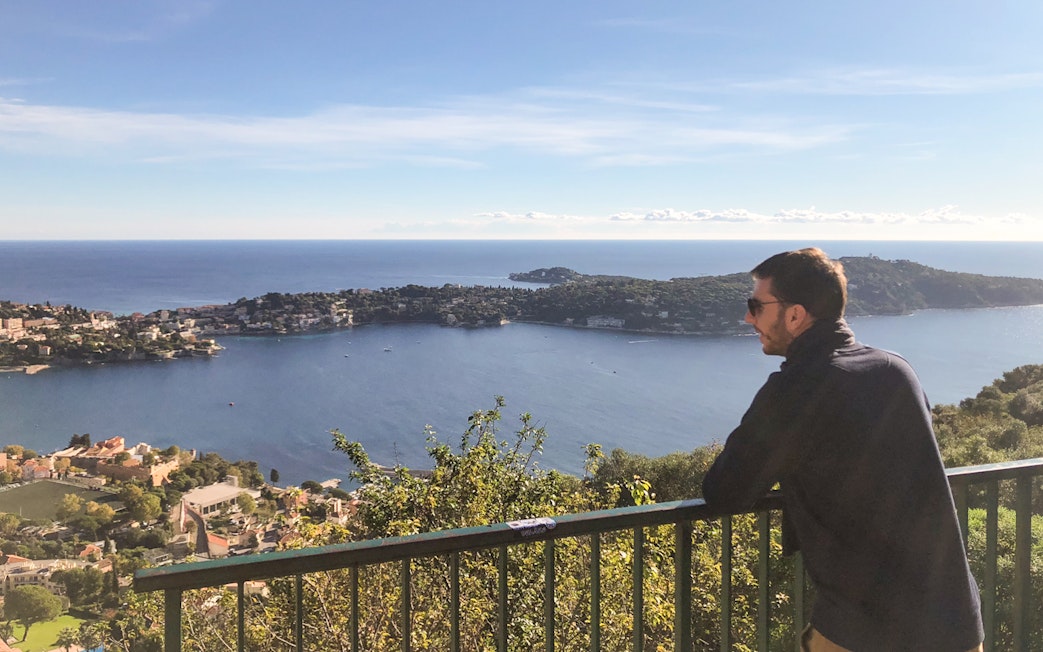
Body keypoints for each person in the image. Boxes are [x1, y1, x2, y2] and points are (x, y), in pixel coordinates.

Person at [701, 248, 984, 652]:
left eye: (755, 306)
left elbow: (725, 490)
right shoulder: (894, 370)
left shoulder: (796, 389)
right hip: (955, 620)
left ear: (795, 315)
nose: (749, 318)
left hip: (866, 627)